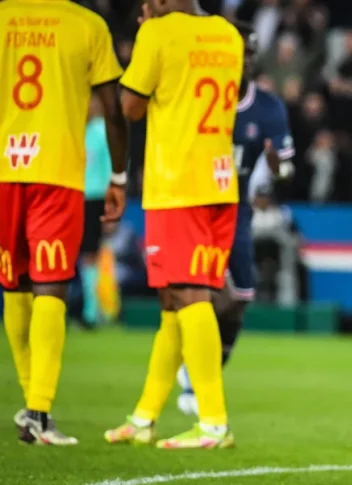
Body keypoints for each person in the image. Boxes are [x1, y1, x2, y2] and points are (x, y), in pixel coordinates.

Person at [103, 0, 243, 449]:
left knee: (188, 295)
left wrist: (147, 38)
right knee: (173, 301)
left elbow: (130, 107)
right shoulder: (228, 34)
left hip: (177, 184)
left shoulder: (158, 33)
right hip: (219, 183)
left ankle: (213, 423)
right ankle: (144, 417)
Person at [0, 0, 128, 445]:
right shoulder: (88, 25)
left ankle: (32, 406)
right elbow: (113, 109)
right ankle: (39, 409)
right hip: (58, 172)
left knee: (15, 285)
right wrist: (119, 177)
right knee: (50, 284)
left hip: (6, 169)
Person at [175, 22, 295, 418]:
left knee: (238, 300)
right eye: (237, 52)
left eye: (249, 54)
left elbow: (287, 170)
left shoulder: (268, 107)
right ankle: (193, 376)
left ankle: (203, 370)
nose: (243, 61)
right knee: (200, 292)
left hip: (238, 210)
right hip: (195, 205)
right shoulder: (199, 95)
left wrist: (276, 167)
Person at [81, 95, 115, 329]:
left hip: (95, 199)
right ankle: (91, 308)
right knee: (83, 255)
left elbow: (111, 169)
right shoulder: (77, 130)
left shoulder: (102, 132)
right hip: (75, 197)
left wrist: (109, 205)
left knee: (91, 254)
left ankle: (93, 312)